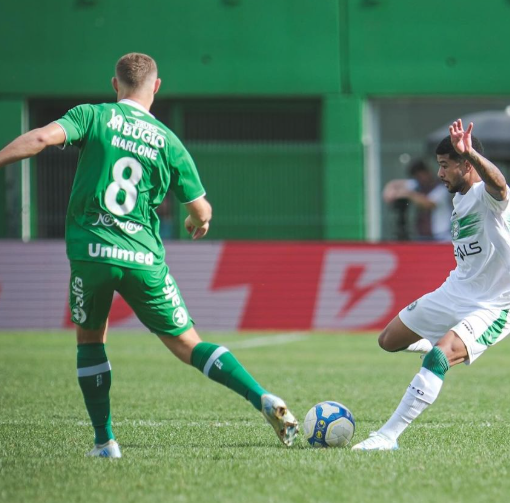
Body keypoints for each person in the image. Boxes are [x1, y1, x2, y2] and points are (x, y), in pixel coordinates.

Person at [0, 53, 299, 457]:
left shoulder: (93, 115)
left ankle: (105, 442)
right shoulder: (168, 141)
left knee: (91, 339)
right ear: (156, 87)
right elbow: (201, 208)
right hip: (143, 258)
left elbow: (38, 139)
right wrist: (199, 224)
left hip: (93, 252)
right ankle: (260, 396)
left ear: (115, 84)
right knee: (187, 345)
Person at [353, 119, 510, 450]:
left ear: (465, 164)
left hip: (492, 304)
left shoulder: (489, 198)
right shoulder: (457, 200)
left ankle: (387, 437)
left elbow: (499, 185)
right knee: (388, 340)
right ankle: (433, 345)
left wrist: (470, 151)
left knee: (438, 359)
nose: (440, 173)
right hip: (454, 290)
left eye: (445, 166)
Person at [383, 158, 453, 241]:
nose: (420, 179)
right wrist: (389, 191)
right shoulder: (417, 184)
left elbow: (428, 204)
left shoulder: (441, 187)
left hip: (441, 236)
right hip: (422, 236)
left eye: (420, 175)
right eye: (416, 177)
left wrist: (408, 194)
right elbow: (395, 184)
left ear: (427, 172)